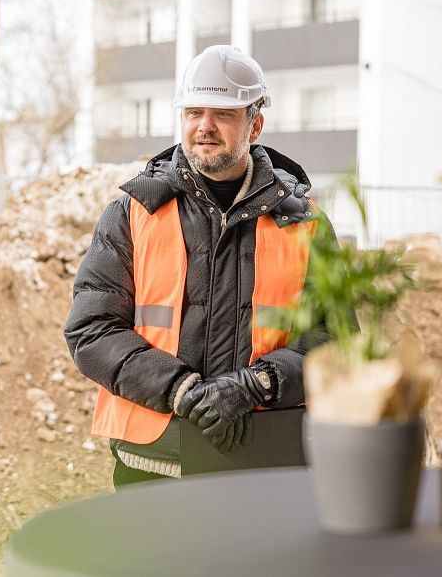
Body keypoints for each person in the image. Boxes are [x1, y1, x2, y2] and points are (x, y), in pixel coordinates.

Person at [65, 44, 343, 486]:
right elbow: (91, 329)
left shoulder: (304, 223)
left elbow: (336, 341)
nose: (204, 127)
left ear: (255, 125)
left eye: (223, 114)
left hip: (266, 463)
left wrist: (256, 384)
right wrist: (180, 390)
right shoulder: (133, 213)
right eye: (194, 112)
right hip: (155, 464)